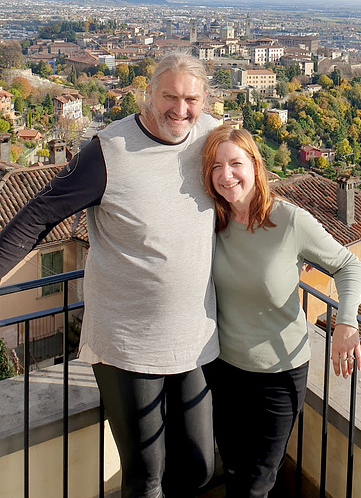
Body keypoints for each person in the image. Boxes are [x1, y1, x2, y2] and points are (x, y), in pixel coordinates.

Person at [0, 52, 219, 498]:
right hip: (127, 343)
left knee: (198, 466)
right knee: (147, 477)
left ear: (205, 101)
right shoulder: (109, 151)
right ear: (149, 94)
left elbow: (250, 200)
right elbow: (38, 215)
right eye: (170, 96)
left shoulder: (213, 140)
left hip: (194, 339)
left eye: (191, 98)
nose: (181, 109)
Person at [202, 125, 361, 498]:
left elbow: (349, 265)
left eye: (236, 163)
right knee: (233, 469)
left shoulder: (289, 220)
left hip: (278, 374)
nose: (226, 175)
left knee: (256, 484)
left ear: (256, 167)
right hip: (223, 369)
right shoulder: (211, 221)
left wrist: (346, 322)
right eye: (216, 166)